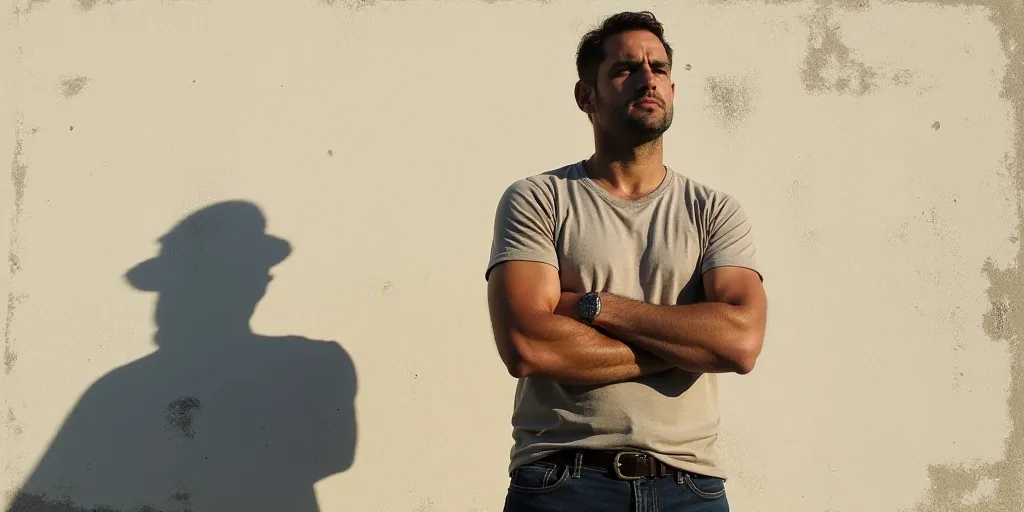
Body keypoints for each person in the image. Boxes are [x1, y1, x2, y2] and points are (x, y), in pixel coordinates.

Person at [484, 11, 768, 512]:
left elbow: (740, 342)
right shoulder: (539, 199)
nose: (646, 78)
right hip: (563, 480)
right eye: (625, 69)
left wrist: (595, 308)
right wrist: (687, 345)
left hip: (690, 487)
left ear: (673, 91)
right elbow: (527, 345)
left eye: (658, 68)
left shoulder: (713, 211)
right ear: (585, 97)